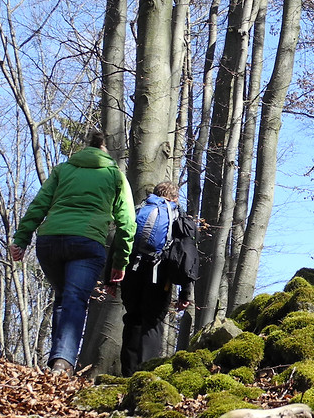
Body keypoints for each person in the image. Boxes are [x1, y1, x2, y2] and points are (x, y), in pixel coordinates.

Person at [10, 129, 135, 376]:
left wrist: (21, 239)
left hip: (49, 242)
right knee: (75, 300)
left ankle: (57, 362)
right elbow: (128, 223)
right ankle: (63, 363)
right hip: (87, 243)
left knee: (64, 297)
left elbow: (39, 205)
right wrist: (120, 262)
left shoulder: (63, 170)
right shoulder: (115, 176)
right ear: (106, 151)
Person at [120, 180, 192, 376]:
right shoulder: (178, 216)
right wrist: (185, 293)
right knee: (152, 322)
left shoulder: (139, 209)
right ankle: (146, 373)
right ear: (175, 197)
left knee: (133, 317)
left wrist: (112, 276)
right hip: (159, 275)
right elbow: (186, 256)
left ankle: (127, 373)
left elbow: (122, 238)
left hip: (132, 270)